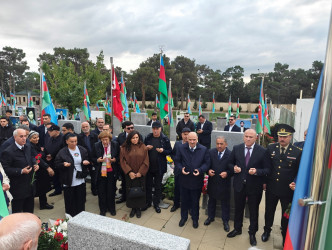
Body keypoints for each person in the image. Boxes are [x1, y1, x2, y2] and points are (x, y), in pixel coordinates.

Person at [227, 129, 271, 247]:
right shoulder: (237, 148)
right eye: (246, 136)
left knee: (253, 211)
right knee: (238, 208)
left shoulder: (262, 151)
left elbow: (267, 169)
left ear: (256, 138)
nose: (248, 139)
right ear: (243, 137)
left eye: (251, 137)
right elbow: (229, 163)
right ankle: (237, 228)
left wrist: (257, 171)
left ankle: (252, 233)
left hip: (254, 186)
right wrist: (234, 168)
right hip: (239, 184)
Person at [262, 124, 302, 245]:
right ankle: (267, 231)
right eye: (280, 136)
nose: (282, 139)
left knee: (286, 215)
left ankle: (285, 236)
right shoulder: (271, 148)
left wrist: (295, 182)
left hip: (287, 191)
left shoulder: (297, 152)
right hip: (272, 187)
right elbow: (267, 167)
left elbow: (299, 171)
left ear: (290, 137)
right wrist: (264, 182)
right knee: (269, 211)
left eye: (285, 136)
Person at [175, 132, 210, 228]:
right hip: (184, 180)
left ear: (197, 139)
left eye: (194, 139)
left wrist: (200, 170)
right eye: (190, 139)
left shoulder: (203, 149)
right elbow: (177, 160)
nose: (192, 141)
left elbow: (207, 163)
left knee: (195, 201)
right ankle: (184, 217)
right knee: (184, 200)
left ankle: (195, 219)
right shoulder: (181, 148)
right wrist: (180, 168)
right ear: (187, 139)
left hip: (196, 181)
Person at [1, 128, 39, 213]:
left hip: (30, 186)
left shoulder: (28, 146)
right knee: (17, 213)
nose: (24, 138)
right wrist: (21, 171)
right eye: (21, 136)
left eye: (25, 136)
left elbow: (32, 157)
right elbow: (5, 169)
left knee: (29, 212)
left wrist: (35, 164)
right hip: (18, 189)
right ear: (15, 137)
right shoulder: (8, 152)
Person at [54, 133, 90, 217]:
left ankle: (81, 214)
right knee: (70, 199)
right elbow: (56, 164)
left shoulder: (82, 149)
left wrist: (86, 162)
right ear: (66, 141)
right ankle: (70, 216)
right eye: (71, 142)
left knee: (80, 198)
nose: (74, 143)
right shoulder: (62, 152)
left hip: (80, 177)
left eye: (75, 141)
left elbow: (87, 159)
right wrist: (63, 164)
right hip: (68, 178)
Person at [143, 121, 172, 213]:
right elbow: (142, 148)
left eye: (157, 129)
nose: (155, 131)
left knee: (158, 186)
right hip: (149, 166)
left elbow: (170, 151)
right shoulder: (148, 137)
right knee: (148, 185)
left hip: (159, 167)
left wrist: (163, 151)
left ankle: (156, 204)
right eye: (154, 129)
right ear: (152, 129)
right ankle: (148, 202)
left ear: (160, 129)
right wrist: (146, 148)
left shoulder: (164, 139)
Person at [204, 136, 231, 232]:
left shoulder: (230, 154)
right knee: (211, 201)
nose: (219, 146)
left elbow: (232, 169)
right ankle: (210, 217)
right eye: (217, 144)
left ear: (226, 144)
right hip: (213, 181)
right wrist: (208, 171)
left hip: (224, 183)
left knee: (225, 203)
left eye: (221, 144)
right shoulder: (211, 152)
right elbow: (206, 165)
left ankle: (225, 221)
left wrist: (227, 173)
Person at [120, 130, 149, 218]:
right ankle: (133, 208)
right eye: (133, 138)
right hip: (130, 175)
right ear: (130, 138)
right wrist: (129, 172)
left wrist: (141, 172)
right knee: (130, 190)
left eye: (137, 137)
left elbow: (146, 161)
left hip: (140, 174)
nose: (135, 139)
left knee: (140, 190)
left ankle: (138, 208)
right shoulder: (124, 148)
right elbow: (122, 161)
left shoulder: (143, 147)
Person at [92, 131, 119, 216]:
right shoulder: (96, 145)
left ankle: (112, 209)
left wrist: (114, 160)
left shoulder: (115, 145)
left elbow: (119, 156)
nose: (104, 142)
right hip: (101, 172)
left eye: (106, 140)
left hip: (111, 172)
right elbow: (92, 157)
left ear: (109, 139)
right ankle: (103, 209)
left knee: (111, 191)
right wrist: (97, 160)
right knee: (101, 192)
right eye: (102, 140)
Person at [115, 121, 142, 204]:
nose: (131, 129)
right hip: (124, 164)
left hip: (135, 164)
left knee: (134, 183)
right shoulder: (120, 136)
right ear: (124, 129)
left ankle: (134, 199)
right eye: (129, 128)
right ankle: (124, 197)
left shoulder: (138, 136)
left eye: (132, 127)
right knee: (124, 181)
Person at [28, 130, 54, 210]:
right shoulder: (30, 146)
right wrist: (48, 167)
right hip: (37, 170)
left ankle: (43, 203)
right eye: (34, 138)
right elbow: (37, 157)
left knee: (43, 188)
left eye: (37, 137)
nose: (36, 139)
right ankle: (40, 205)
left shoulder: (37, 145)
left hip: (41, 170)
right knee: (39, 188)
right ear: (29, 139)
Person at [170, 127, 191, 212]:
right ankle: (176, 204)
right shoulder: (178, 144)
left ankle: (188, 206)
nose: (186, 136)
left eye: (187, 134)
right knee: (177, 188)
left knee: (188, 189)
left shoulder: (192, 144)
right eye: (184, 134)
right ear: (181, 135)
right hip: (178, 171)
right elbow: (172, 154)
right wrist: (177, 161)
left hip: (188, 171)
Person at [78, 121, 99, 196]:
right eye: (83, 127)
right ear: (81, 128)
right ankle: (82, 193)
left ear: (89, 127)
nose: (85, 128)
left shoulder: (95, 135)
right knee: (82, 176)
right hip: (83, 159)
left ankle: (94, 190)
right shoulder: (79, 137)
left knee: (94, 176)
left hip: (93, 159)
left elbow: (98, 147)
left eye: (86, 126)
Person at [45, 124, 64, 197]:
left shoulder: (62, 138)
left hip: (60, 161)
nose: (49, 132)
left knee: (61, 176)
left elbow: (61, 150)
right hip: (51, 160)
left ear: (56, 131)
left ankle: (62, 187)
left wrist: (52, 155)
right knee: (55, 176)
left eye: (50, 131)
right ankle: (57, 189)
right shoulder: (50, 138)